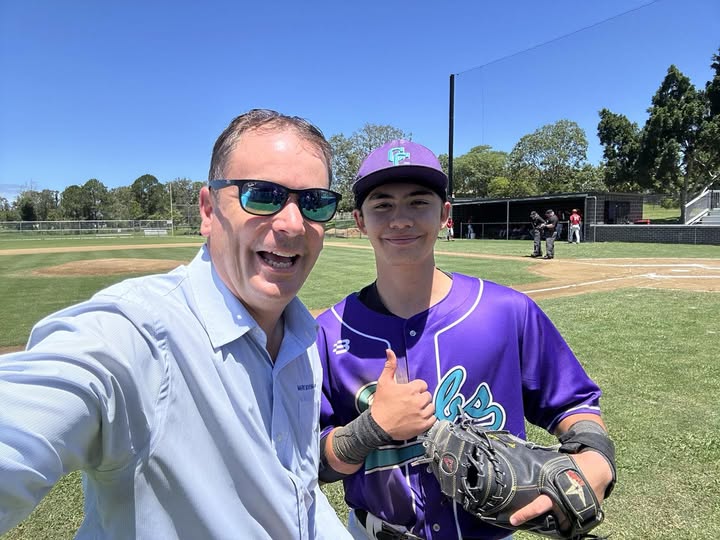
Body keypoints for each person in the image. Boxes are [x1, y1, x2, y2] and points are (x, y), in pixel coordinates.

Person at [0, 109, 351, 539]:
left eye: (314, 202)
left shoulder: (300, 337)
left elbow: (294, 493)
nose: (293, 224)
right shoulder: (137, 334)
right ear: (208, 210)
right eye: (262, 194)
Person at [315, 140, 615, 540]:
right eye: (382, 205)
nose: (400, 219)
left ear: (444, 215)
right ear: (359, 219)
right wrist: (367, 431)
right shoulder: (331, 329)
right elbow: (310, 461)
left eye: (418, 202)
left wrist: (597, 458)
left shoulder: (506, 311)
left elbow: (574, 404)